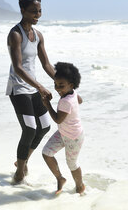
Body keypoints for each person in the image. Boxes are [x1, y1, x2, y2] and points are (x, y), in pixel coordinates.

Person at [6, 0, 55, 184]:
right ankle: (19, 174)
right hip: (18, 88)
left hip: (33, 87)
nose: (37, 14)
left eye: (40, 11)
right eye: (34, 11)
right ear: (23, 11)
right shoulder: (15, 34)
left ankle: (22, 161)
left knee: (44, 126)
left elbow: (47, 64)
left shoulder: (38, 35)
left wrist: (65, 85)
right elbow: (18, 67)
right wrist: (41, 86)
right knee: (29, 129)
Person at [42, 62, 85, 195]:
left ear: (71, 85)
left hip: (73, 137)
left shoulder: (65, 101)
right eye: (55, 84)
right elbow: (80, 100)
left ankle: (80, 187)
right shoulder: (72, 93)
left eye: (61, 85)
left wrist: (47, 104)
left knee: (72, 163)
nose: (57, 88)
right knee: (47, 153)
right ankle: (60, 178)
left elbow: (57, 119)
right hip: (63, 132)